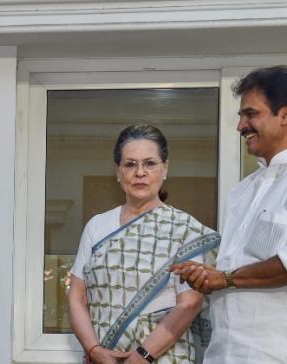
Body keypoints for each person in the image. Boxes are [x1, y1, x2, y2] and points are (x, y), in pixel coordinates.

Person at [68, 124, 219, 364]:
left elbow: (190, 304)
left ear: (165, 168)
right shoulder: (97, 226)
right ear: (118, 171)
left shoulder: (184, 229)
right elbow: (77, 297)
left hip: (166, 357)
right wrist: (94, 350)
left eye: (150, 163)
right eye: (130, 164)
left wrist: (142, 357)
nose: (140, 172)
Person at [170, 66, 287, 363]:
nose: (240, 126)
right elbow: (232, 268)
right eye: (240, 116)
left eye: (251, 114)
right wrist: (205, 276)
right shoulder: (241, 192)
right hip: (223, 352)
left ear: (284, 116)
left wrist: (225, 279)